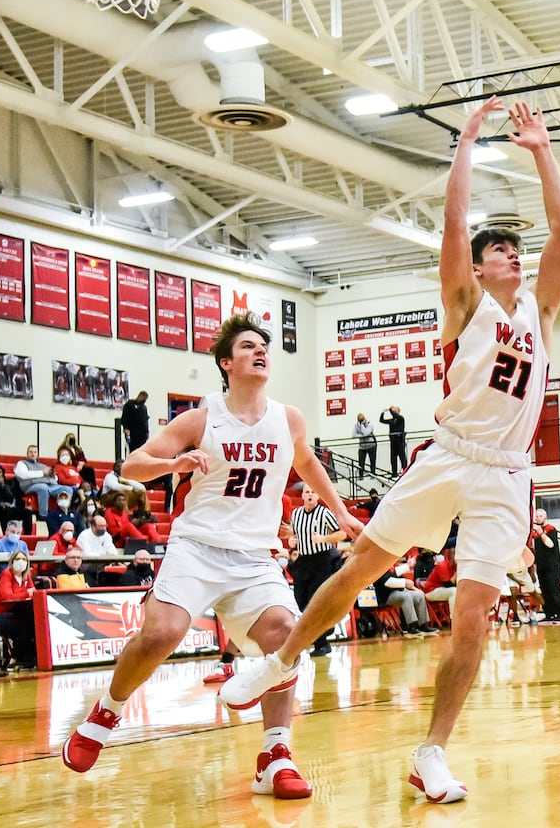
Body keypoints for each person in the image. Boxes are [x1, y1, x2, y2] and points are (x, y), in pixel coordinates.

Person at [220, 96, 560, 805]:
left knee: (473, 616)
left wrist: (540, 149)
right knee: (359, 568)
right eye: (499, 247)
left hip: (506, 475)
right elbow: (453, 221)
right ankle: (280, 661)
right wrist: (467, 140)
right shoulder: (465, 305)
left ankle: (432, 752)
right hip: (448, 454)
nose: (513, 252)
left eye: (514, 247)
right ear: (476, 269)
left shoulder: (542, 308)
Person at [62, 313, 362, 803]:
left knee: (286, 636)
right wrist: (172, 464)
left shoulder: (288, 419)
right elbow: (131, 465)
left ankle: (275, 754)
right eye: (247, 346)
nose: (260, 350)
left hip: (253, 556)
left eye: (263, 345)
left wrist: (342, 512)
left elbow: (306, 462)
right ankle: (107, 710)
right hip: (197, 547)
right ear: (226, 362)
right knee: (162, 632)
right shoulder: (201, 418)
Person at [288, 488, 346, 657]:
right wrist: (292, 540)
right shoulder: (296, 514)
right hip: (304, 562)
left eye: (314, 492)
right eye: (307, 492)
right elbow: (294, 534)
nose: (310, 494)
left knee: (315, 602)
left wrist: (324, 539)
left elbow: (342, 534)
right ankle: (326, 630)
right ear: (302, 495)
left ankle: (322, 643)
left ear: (318, 496)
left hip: (323, 561)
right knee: (301, 601)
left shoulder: (325, 513)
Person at [0, 549, 37, 676]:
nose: (21, 562)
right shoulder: (6, 574)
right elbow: (7, 597)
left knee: (33, 622)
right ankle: (17, 656)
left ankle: (24, 658)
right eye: (18, 559)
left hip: (15, 613)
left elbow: (33, 592)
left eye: (24, 559)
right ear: (12, 562)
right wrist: (25, 593)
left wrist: (26, 594)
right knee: (26, 623)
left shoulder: (26, 577)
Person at [374, 559, 438, 636]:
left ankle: (423, 625)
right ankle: (411, 627)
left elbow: (394, 572)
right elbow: (387, 582)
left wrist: (407, 566)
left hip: (399, 591)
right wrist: (404, 582)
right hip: (386, 596)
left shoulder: (389, 563)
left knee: (419, 595)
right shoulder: (378, 565)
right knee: (406, 596)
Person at [530, 508, 560, 622]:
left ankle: (559, 613)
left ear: (545, 517)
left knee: (554, 589)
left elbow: (550, 545)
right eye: (536, 516)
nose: (537, 518)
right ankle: (549, 613)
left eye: (540, 516)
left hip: (552, 566)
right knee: (545, 590)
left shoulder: (551, 529)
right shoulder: (535, 533)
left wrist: (541, 533)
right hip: (541, 566)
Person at [13, 445, 66, 517]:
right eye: (31, 452)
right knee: (43, 487)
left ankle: (64, 513)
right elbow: (24, 475)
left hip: (47, 485)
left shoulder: (42, 465)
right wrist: (42, 473)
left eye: (35, 452)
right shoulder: (21, 463)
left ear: (37, 454)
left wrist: (52, 475)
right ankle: (43, 515)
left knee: (67, 489)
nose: (33, 454)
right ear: (27, 453)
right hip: (29, 486)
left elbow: (55, 478)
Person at [380, 406, 408, 475]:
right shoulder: (391, 420)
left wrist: (390, 409)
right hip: (393, 441)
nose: (393, 412)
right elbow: (381, 420)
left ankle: (405, 471)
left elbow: (395, 415)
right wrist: (383, 413)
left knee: (402, 457)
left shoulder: (401, 418)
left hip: (400, 441)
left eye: (395, 410)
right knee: (393, 458)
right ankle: (394, 472)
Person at [352, 413, 377, 478]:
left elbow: (366, 432)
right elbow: (354, 435)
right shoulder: (356, 425)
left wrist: (362, 425)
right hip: (362, 447)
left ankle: (373, 474)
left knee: (372, 461)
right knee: (361, 462)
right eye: (359, 421)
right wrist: (363, 436)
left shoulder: (370, 424)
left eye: (362, 420)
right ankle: (361, 475)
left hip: (371, 445)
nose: (360, 422)